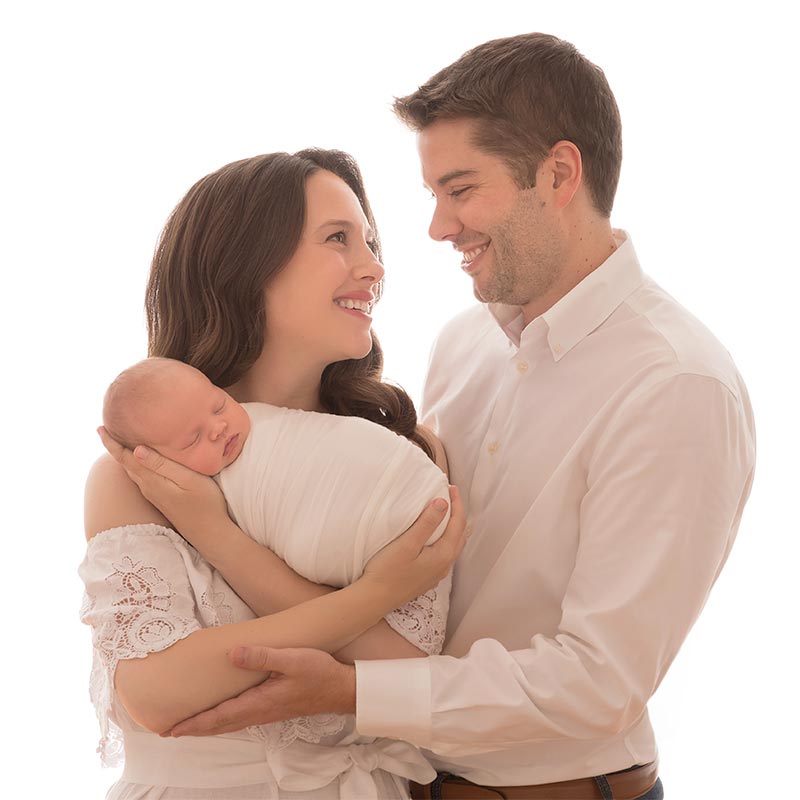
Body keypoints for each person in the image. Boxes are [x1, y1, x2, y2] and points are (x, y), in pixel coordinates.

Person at [154, 33, 757, 800]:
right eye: (433, 195)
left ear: (559, 174)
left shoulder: (677, 384)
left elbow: (600, 682)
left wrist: (349, 692)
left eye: (461, 189)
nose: (438, 227)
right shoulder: (463, 342)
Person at [81, 148, 466, 800]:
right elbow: (157, 693)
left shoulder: (405, 455)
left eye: (370, 242)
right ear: (243, 265)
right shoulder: (141, 474)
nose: (373, 268)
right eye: (338, 239)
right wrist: (374, 596)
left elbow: (408, 671)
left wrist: (220, 538)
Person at [102, 356, 451, 589]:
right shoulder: (185, 495)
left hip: (411, 489)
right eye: (193, 439)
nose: (218, 428)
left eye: (218, 406)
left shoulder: (270, 419)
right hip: (346, 543)